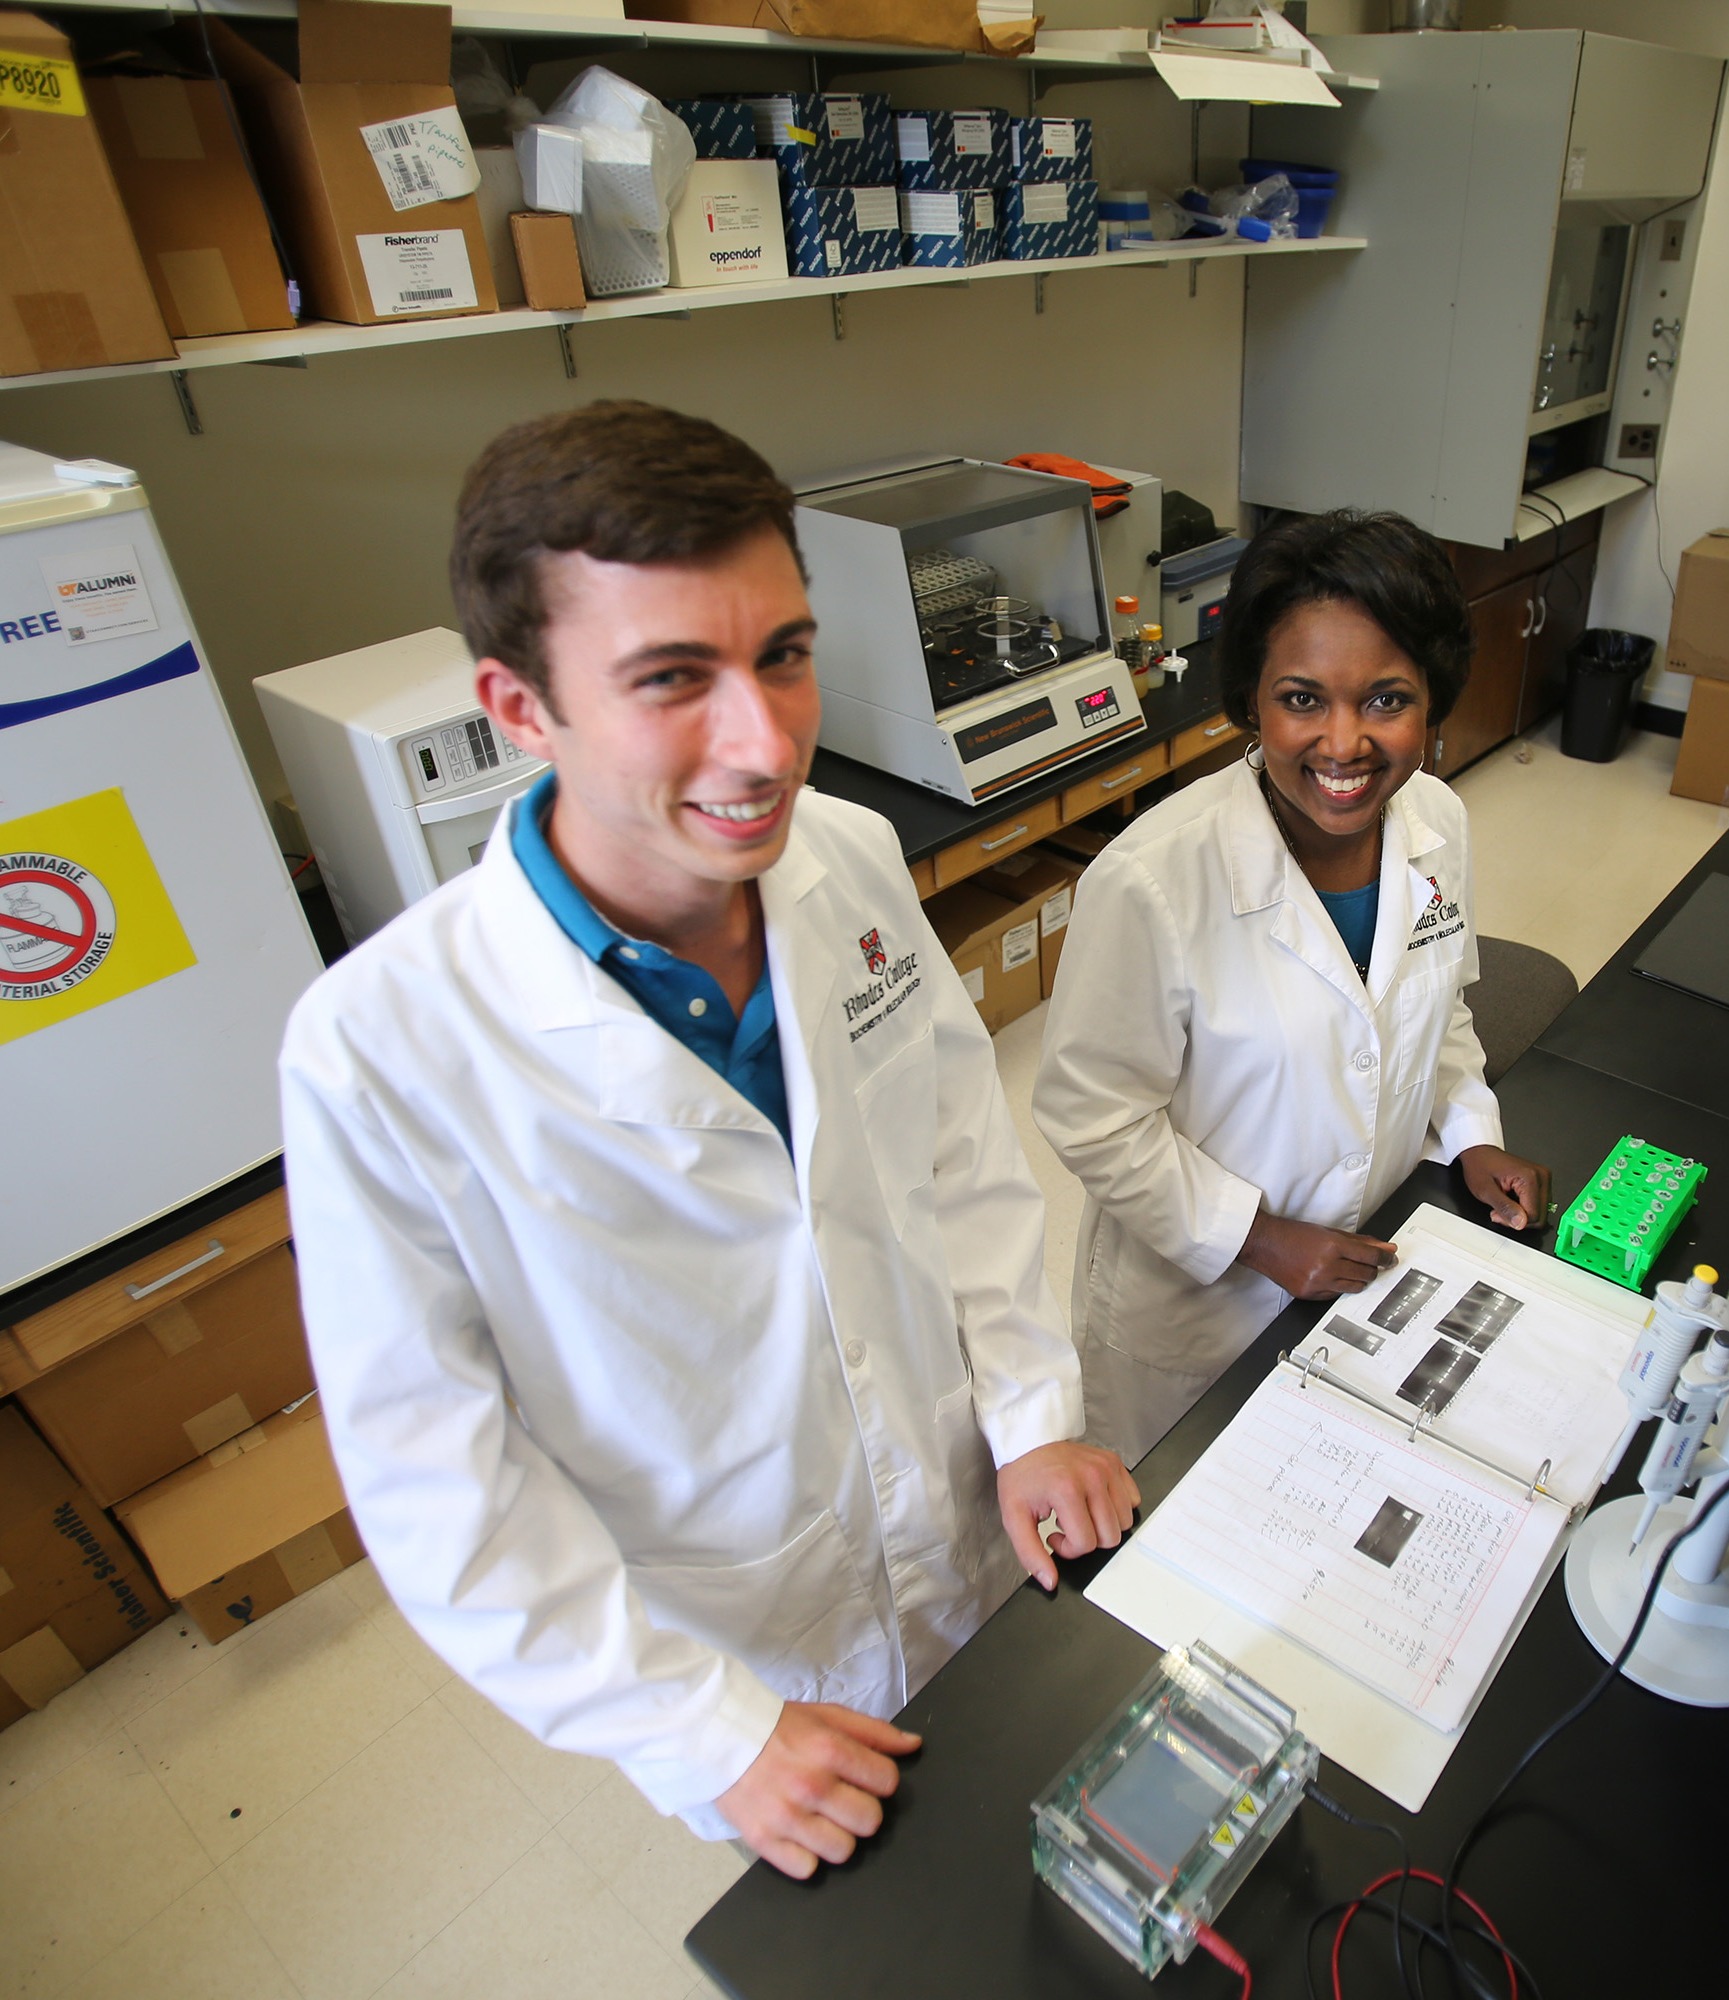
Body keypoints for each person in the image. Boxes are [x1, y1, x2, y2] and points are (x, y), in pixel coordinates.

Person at [278, 401, 1138, 1879]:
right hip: (743, 1655)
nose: (764, 745)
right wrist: (708, 1732)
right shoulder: (380, 1052)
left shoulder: (847, 862)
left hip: (972, 1519)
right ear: (520, 708)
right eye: (673, 679)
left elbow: (958, 1162)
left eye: (784, 656)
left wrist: (1030, 1408)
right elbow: (442, 1486)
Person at [1033, 509, 1553, 1463]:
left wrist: (1472, 1134)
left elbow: (1439, 1013)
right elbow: (1091, 1118)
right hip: (1197, 1318)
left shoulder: (1437, 820)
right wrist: (1263, 1239)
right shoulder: (1152, 880)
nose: (1344, 744)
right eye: (1303, 699)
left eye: (1387, 700)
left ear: (1433, 701)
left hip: (1373, 1266)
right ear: (1252, 702)